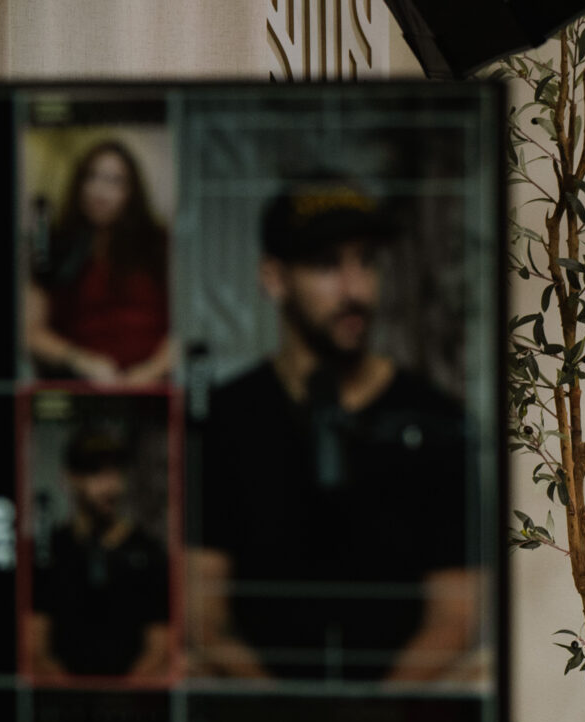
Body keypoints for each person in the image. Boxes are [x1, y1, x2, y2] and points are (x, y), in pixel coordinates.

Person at [188, 178, 477, 684]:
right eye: (327, 265)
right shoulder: (226, 417)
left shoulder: (435, 418)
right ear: (274, 278)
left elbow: (454, 618)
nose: (356, 290)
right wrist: (292, 721)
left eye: (366, 261)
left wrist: (367, 721)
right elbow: (203, 617)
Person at [26, 424, 172, 681]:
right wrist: (73, 695)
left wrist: (120, 695)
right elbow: (35, 645)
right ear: (69, 477)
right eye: (95, 472)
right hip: (62, 699)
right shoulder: (49, 550)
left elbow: (160, 646)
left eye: (116, 472)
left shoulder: (148, 552)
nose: (110, 485)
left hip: (132, 698)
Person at [25, 139, 173, 385]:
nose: (99, 190)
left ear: (131, 191)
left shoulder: (159, 243)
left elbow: (187, 327)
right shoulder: (56, 246)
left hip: (154, 384)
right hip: (83, 384)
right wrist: (80, 360)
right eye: (91, 177)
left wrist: (151, 371)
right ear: (79, 185)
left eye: (115, 181)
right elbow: (31, 330)